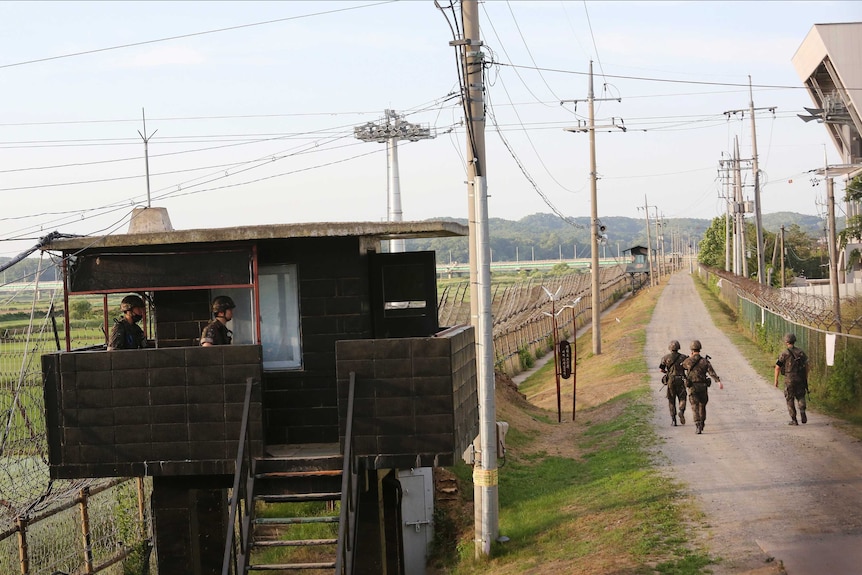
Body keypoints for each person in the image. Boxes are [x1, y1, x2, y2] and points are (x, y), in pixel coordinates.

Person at [681, 340, 723, 435]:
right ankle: (702, 422)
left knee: (694, 407)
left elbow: (682, 367)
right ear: (700, 349)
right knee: (702, 406)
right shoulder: (705, 361)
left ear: (691, 350)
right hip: (703, 387)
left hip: (693, 387)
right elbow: (712, 373)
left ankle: (697, 425)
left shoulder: (688, 361)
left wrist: (690, 358)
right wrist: (718, 382)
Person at [774, 333, 809, 425]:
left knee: (790, 398)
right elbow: (807, 366)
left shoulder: (784, 354)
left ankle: (794, 420)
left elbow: (777, 367)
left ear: (786, 342)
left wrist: (776, 380)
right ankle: (802, 410)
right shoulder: (801, 352)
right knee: (801, 396)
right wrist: (805, 376)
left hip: (789, 379)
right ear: (794, 341)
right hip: (800, 378)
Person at [659, 340, 688, 426]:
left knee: (671, 400)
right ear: (678, 347)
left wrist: (667, 373)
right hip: (681, 379)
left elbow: (661, 369)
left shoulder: (665, 358)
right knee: (682, 397)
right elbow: (687, 368)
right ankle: (681, 410)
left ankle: (673, 420)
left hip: (671, 380)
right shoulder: (684, 357)